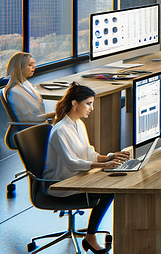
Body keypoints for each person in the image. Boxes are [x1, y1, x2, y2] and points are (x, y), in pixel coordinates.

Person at [45, 83, 129, 253]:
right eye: (89, 103)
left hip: (78, 177)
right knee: (109, 191)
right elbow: (72, 163)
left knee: (113, 182)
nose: (92, 108)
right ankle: (90, 237)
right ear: (74, 103)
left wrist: (110, 157)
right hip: (62, 184)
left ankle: (90, 235)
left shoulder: (78, 124)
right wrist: (104, 165)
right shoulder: (60, 130)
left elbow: (88, 153)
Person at [4, 51, 52, 121]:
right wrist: (50, 115)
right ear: (19, 68)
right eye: (30, 65)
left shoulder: (27, 84)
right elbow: (29, 120)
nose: (34, 67)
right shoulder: (15, 92)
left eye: (33, 64)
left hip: (40, 123)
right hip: (33, 127)